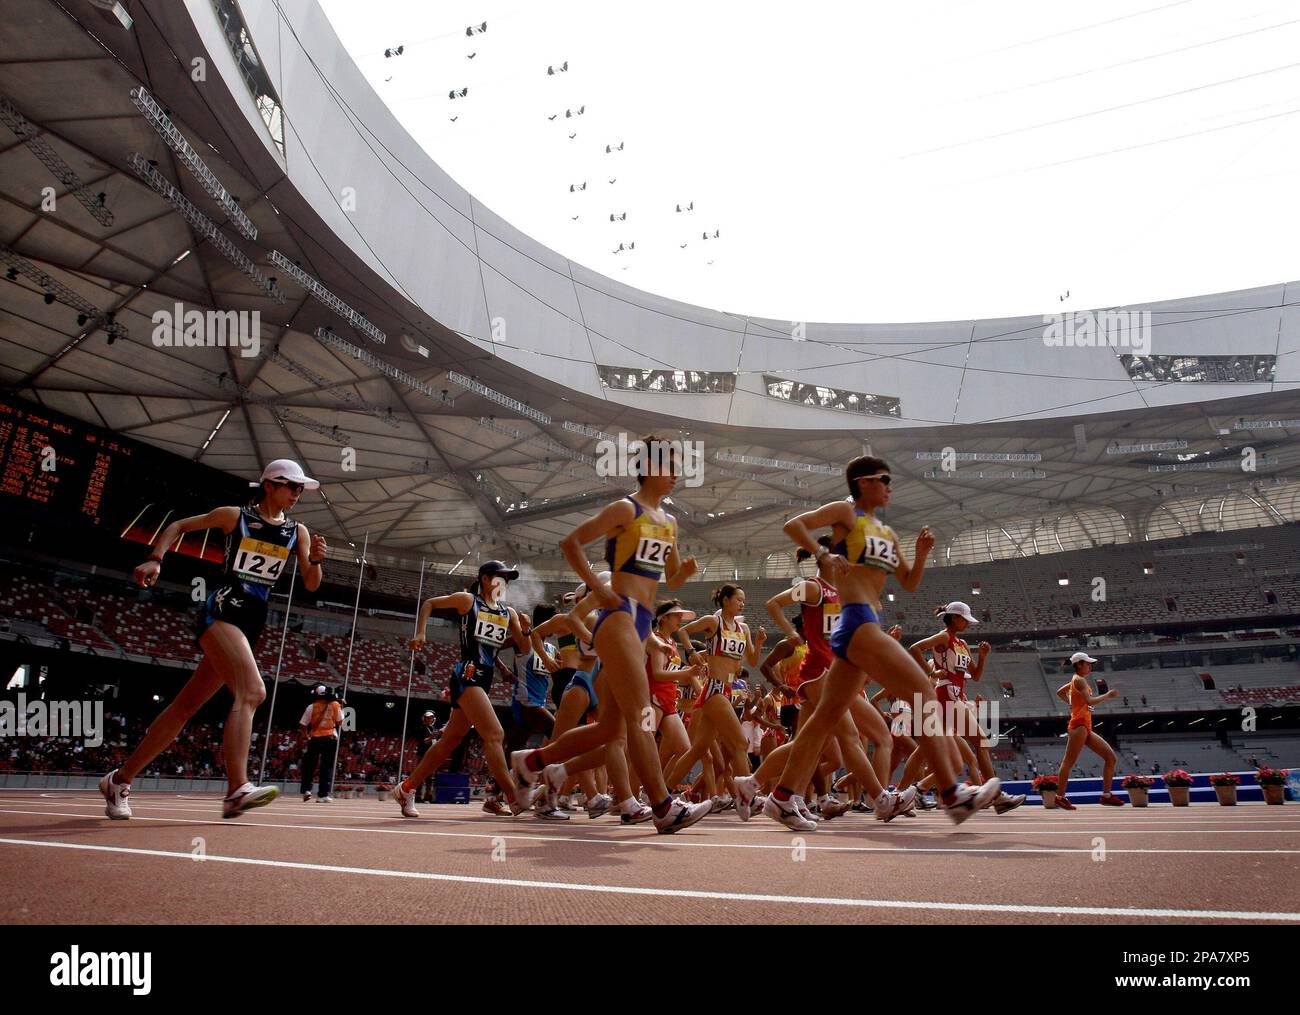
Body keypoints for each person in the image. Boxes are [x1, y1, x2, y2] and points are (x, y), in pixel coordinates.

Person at [762, 454, 1000, 830]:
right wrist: (824, 553)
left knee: (825, 716)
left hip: (868, 620)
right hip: (857, 621)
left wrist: (921, 555)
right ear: (862, 483)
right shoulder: (845, 512)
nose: (889, 486)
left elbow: (908, 582)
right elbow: (795, 524)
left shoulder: (887, 534)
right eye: (882, 479)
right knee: (922, 691)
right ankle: (953, 793)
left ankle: (782, 797)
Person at [100, 459, 326, 819]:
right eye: (292, 487)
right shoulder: (233, 516)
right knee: (252, 692)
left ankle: (119, 779)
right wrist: (155, 558)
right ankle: (237, 789)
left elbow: (311, 585)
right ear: (270, 485)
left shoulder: (298, 532)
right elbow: (177, 525)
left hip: (253, 621)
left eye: (301, 489)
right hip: (222, 609)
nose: (298, 494)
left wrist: (314, 561)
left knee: (185, 707)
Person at [511, 434, 713, 834]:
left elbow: (668, 579)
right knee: (642, 716)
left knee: (610, 730)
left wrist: (683, 573)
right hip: (618, 619)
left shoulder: (670, 523)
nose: (676, 475)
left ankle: (530, 763)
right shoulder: (626, 508)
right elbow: (571, 543)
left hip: (641, 624)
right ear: (650, 467)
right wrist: (597, 587)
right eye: (670, 466)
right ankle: (662, 807)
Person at [391, 561, 539, 818]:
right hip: (466, 674)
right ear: (485, 578)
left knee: (450, 741)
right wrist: (421, 632)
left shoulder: (509, 613)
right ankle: (514, 797)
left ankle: (406, 788)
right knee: (494, 734)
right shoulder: (467, 601)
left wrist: (525, 631)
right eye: (500, 578)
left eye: (507, 580)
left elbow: (525, 649)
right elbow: (429, 604)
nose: (504, 584)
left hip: (485, 678)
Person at [909, 603, 1024, 815]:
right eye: (965, 620)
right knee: (980, 742)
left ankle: (916, 790)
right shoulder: (944, 637)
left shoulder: (962, 643)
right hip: (947, 694)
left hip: (956, 695)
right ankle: (997, 796)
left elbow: (977, 676)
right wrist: (931, 673)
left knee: (943, 755)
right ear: (953, 618)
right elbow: (915, 648)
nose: (968, 624)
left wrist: (983, 656)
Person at [1054, 652, 1123, 809]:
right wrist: (1108, 695)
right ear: (1079, 664)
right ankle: (1059, 797)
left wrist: (1073, 705)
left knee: (1110, 757)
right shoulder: (1079, 680)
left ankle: (1106, 795)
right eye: (1087, 663)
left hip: (1084, 725)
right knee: (1068, 762)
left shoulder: (1076, 680)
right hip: (1079, 725)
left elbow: (1060, 692)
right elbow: (1090, 700)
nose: (1090, 666)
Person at [299, 684, 343, 802]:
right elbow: (340, 722)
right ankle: (322, 795)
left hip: (315, 738)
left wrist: (306, 736)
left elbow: (303, 724)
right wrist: (341, 707)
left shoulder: (311, 707)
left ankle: (307, 790)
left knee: (309, 766)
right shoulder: (335, 705)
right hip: (330, 738)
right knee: (327, 767)